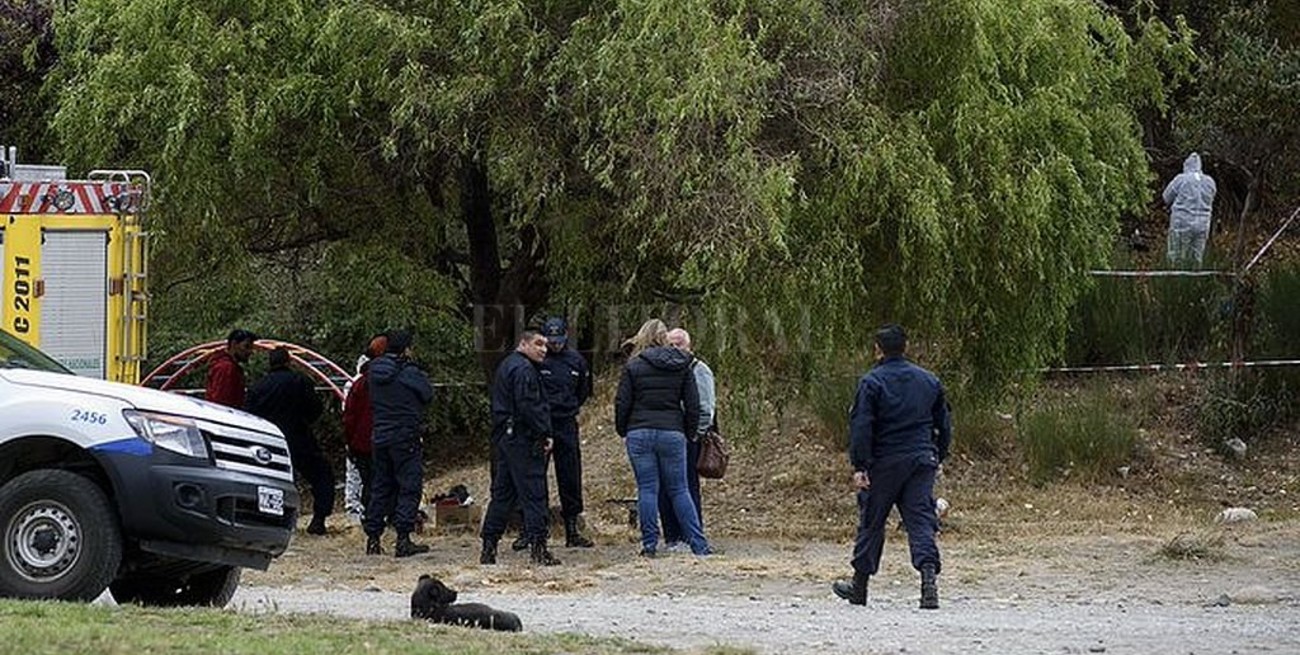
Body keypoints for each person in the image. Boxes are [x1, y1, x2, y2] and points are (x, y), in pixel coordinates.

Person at [832, 324, 951, 609]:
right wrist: (939, 456)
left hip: (884, 461)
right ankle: (928, 583)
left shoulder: (871, 383)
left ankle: (859, 586)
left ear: (878, 350)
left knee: (872, 521)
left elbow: (862, 426)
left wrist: (860, 465)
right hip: (921, 459)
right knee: (921, 519)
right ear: (906, 347)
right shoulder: (929, 381)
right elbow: (943, 424)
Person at [615, 319, 714, 557]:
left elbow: (622, 402)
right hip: (672, 431)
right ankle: (698, 544)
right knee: (680, 489)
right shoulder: (683, 364)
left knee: (647, 489)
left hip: (640, 430)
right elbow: (692, 404)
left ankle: (649, 544)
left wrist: (623, 429)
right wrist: (689, 432)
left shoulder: (634, 366)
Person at [480, 329, 561, 566]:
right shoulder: (524, 370)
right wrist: (544, 432)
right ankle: (539, 548)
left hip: (506, 438)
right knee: (534, 493)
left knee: (502, 494)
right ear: (523, 343)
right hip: (523, 439)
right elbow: (529, 406)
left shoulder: (508, 365)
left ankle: (489, 545)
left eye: (545, 345)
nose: (543, 349)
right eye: (538, 344)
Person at [246, 347, 332, 535]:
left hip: (269, 442)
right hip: (299, 437)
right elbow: (315, 409)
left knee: (272, 482)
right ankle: (319, 519)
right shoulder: (300, 381)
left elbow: (249, 414)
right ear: (288, 361)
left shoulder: (258, 386)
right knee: (321, 476)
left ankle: (275, 521)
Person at [364, 330, 434, 558]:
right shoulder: (409, 372)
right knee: (409, 486)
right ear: (405, 348)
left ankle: (373, 538)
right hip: (405, 436)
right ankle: (403, 538)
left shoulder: (373, 370)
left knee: (381, 486)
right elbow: (427, 394)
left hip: (380, 435)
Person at [538, 316, 595, 548]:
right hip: (542, 422)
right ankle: (534, 529)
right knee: (536, 475)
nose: (555, 345)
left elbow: (583, 391)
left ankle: (572, 529)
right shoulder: (537, 359)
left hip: (566, 422)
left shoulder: (576, 360)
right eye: (551, 341)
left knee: (570, 475)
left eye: (559, 340)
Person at [659, 327, 714, 552]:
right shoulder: (666, 370)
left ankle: (691, 535)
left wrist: (696, 434)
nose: (674, 348)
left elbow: (706, 406)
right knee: (665, 486)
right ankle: (672, 535)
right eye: (670, 344)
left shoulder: (698, 370)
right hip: (670, 433)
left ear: (689, 346)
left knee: (687, 486)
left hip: (689, 436)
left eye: (679, 344)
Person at [342, 335, 387, 523]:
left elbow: (348, 415)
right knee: (374, 481)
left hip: (360, 441)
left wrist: (349, 440)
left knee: (362, 479)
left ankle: (365, 516)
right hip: (375, 440)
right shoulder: (377, 382)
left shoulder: (355, 384)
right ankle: (371, 517)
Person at [1162, 152, 1217, 267]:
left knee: (1176, 256)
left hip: (1182, 223)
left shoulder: (1181, 179)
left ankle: (1175, 281)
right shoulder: (1210, 182)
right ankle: (1194, 282)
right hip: (1203, 225)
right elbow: (1212, 197)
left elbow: (1166, 197)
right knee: (1197, 257)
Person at [205, 328, 256, 408]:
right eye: (246, 346)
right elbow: (221, 400)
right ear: (234, 344)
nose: (249, 351)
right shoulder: (226, 368)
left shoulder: (228, 366)